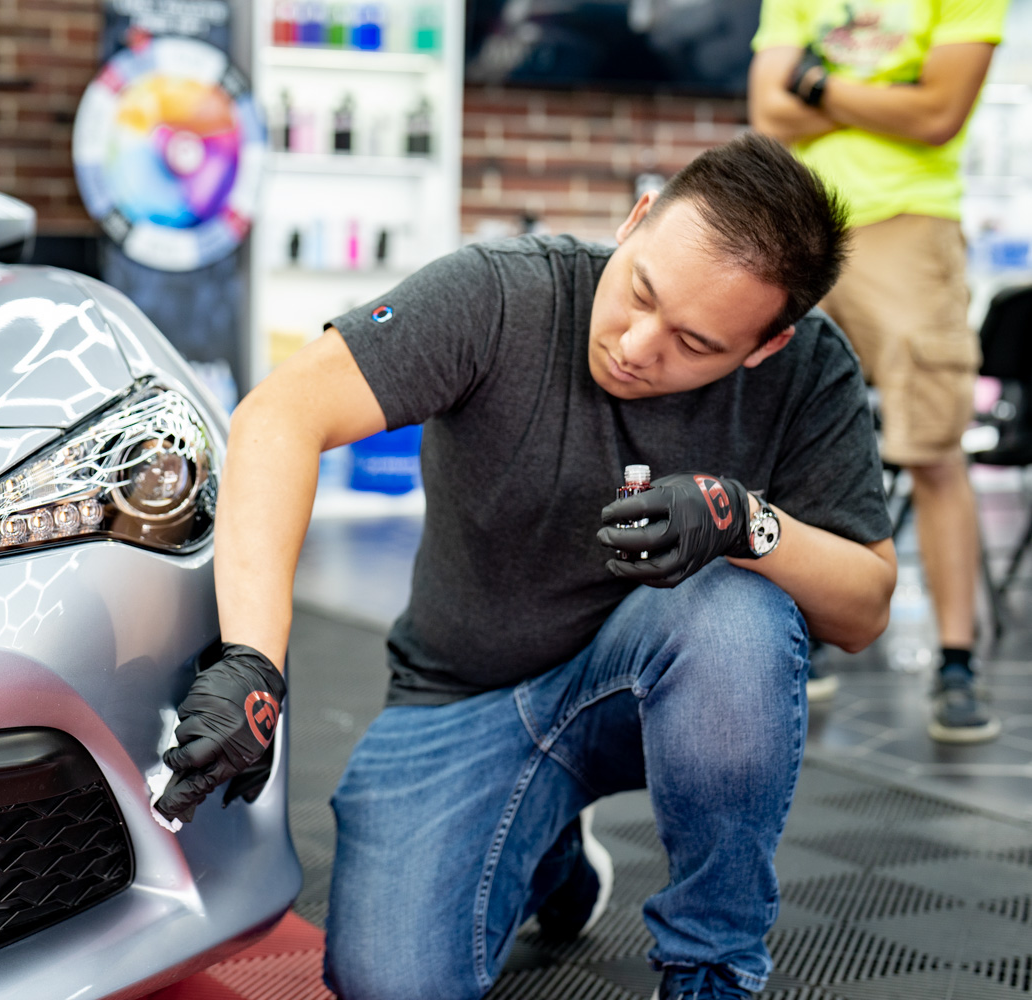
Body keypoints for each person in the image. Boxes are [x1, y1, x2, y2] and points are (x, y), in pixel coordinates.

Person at [156, 133, 896, 1000]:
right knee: (389, 984)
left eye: (694, 343)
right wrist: (253, 659)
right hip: (462, 697)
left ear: (765, 346)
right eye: (641, 290)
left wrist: (748, 522)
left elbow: (865, 606)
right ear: (637, 218)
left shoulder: (808, 372)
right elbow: (280, 413)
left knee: (739, 614)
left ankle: (712, 967)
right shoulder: (503, 293)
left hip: (653, 682)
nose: (636, 343)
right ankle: (547, 855)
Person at [749, 0, 1007, 741]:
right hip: (800, 223)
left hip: (909, 227)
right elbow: (770, 110)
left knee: (933, 449)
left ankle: (956, 663)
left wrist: (818, 89)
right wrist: (882, 100)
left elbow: (938, 115)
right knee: (773, 440)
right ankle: (799, 640)